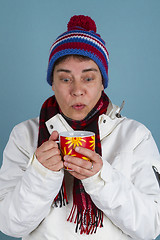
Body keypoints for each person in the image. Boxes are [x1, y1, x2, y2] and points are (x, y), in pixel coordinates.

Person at [0, 15, 160, 240]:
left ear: (102, 82)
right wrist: (41, 173)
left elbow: (151, 226)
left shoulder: (135, 136)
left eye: (88, 78)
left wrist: (100, 178)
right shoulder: (24, 135)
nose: (77, 90)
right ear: (52, 83)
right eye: (66, 79)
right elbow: (9, 226)